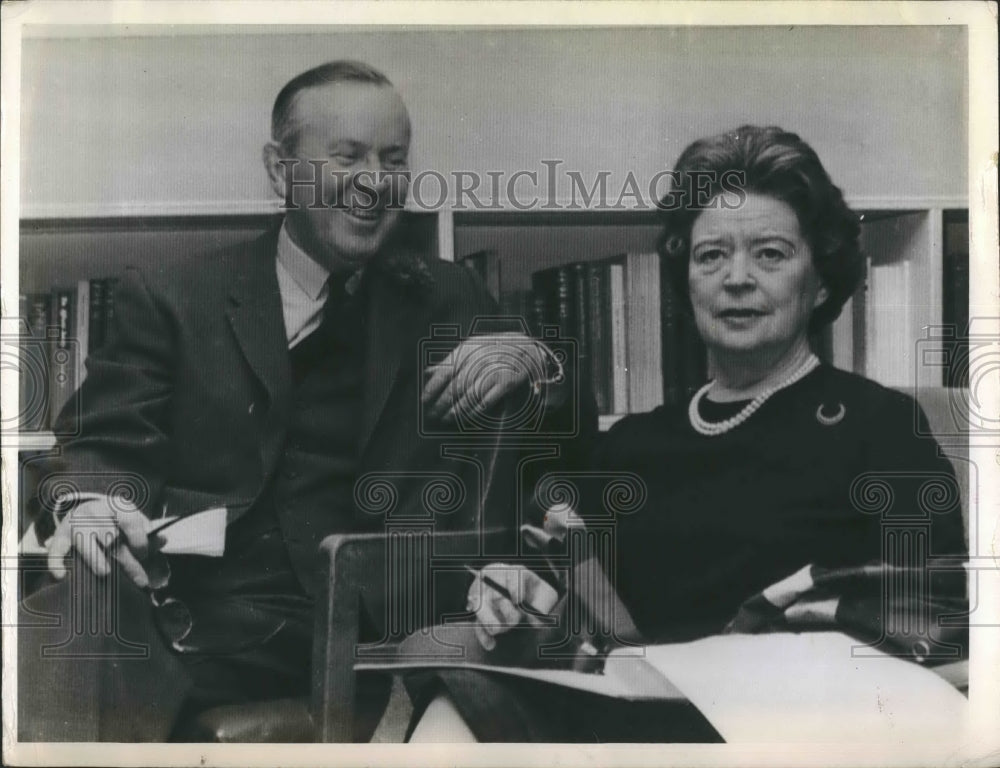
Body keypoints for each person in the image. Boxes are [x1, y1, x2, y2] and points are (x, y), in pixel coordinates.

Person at [18, 60, 589, 742]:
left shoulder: (445, 296)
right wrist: (86, 504)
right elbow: (98, 443)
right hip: (191, 608)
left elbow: (568, 429)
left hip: (372, 622)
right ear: (279, 168)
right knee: (68, 612)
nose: (375, 183)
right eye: (346, 157)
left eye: (393, 160)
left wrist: (535, 359)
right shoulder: (175, 298)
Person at [405, 125, 968, 742]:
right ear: (687, 283)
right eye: (711, 255)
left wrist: (709, 667)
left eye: (770, 253)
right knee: (457, 690)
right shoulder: (634, 443)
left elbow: (928, 610)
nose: (737, 278)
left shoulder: (877, 424)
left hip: (792, 732)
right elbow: (580, 603)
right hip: (631, 724)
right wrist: (519, 591)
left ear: (823, 281)